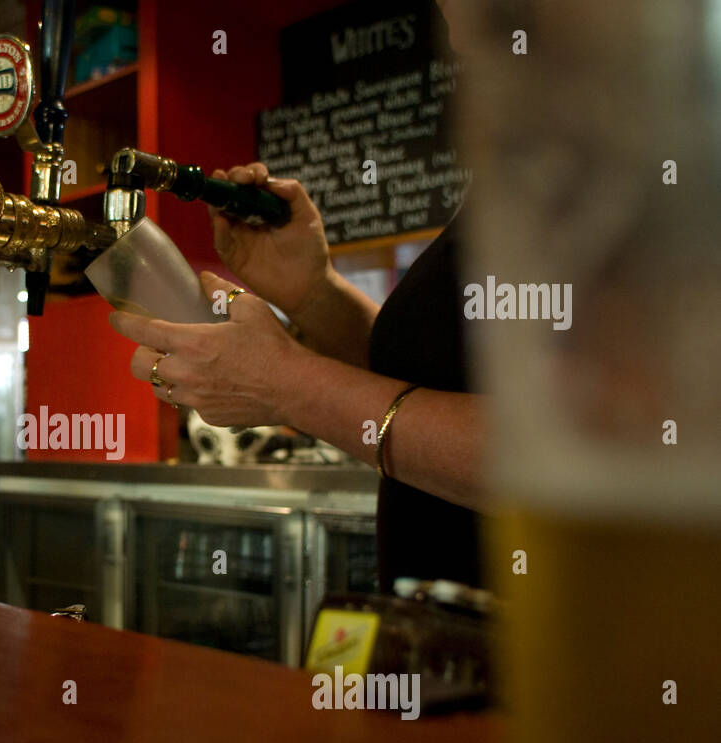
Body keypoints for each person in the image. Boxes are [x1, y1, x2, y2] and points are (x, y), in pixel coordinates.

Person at [109, 4, 483, 591]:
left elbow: (568, 454)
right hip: (446, 648)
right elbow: (437, 381)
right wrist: (314, 293)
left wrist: (286, 385)